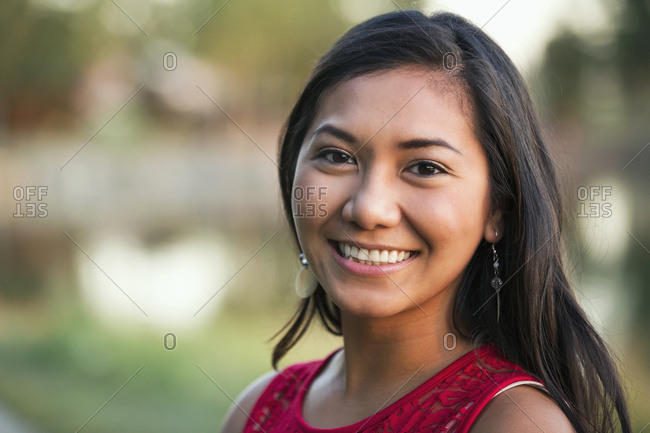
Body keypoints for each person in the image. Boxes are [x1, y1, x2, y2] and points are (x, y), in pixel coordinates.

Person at [220, 9, 631, 433]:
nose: (368, 209)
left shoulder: (514, 423)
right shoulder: (258, 410)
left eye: (425, 168)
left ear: (497, 211)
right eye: (337, 156)